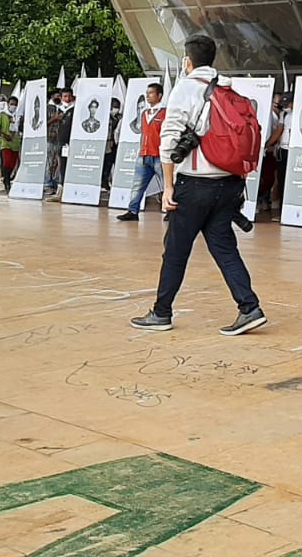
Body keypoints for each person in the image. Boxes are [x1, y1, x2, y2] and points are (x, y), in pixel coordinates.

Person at [130, 35, 265, 336]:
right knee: (225, 249)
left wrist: (167, 187)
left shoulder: (186, 89)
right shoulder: (228, 88)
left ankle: (161, 313)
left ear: (187, 61)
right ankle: (249, 307)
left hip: (195, 185)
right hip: (229, 184)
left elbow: (168, 141)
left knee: (176, 251)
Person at [118, 83, 166, 221]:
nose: (148, 96)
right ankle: (132, 211)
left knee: (166, 185)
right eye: (147, 93)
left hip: (159, 156)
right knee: (137, 185)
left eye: (151, 93)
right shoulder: (145, 113)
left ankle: (171, 211)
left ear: (159, 95)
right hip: (144, 155)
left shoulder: (165, 113)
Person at [0, 96, 21, 191]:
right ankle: (6, 182)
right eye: (11, 104)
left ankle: (8, 178)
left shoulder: (18, 116)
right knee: (7, 162)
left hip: (15, 142)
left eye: (15, 104)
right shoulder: (2, 115)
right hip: (5, 142)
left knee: (13, 164)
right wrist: (4, 135)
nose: (13, 106)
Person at [102, 97, 123, 191]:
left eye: (117, 107)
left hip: (115, 144)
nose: (116, 109)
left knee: (111, 164)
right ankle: (104, 183)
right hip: (108, 144)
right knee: (106, 164)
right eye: (114, 106)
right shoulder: (105, 117)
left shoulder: (119, 117)